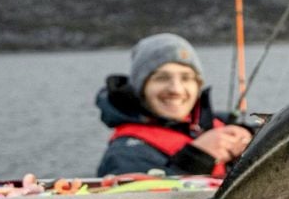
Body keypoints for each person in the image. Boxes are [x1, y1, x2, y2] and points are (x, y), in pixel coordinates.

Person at [96, 32, 254, 177]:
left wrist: (250, 138)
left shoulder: (217, 123)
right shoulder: (124, 155)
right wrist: (197, 159)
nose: (176, 89)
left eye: (186, 78)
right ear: (141, 89)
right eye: (162, 78)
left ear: (198, 86)